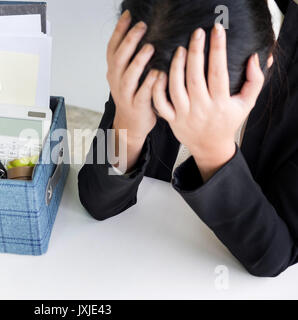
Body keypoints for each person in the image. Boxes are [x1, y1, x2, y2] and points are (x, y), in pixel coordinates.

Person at [78, 0, 298, 277]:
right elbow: (97, 200)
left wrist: (214, 152)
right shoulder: (160, 37)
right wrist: (128, 125)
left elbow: (273, 256)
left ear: (268, 63)